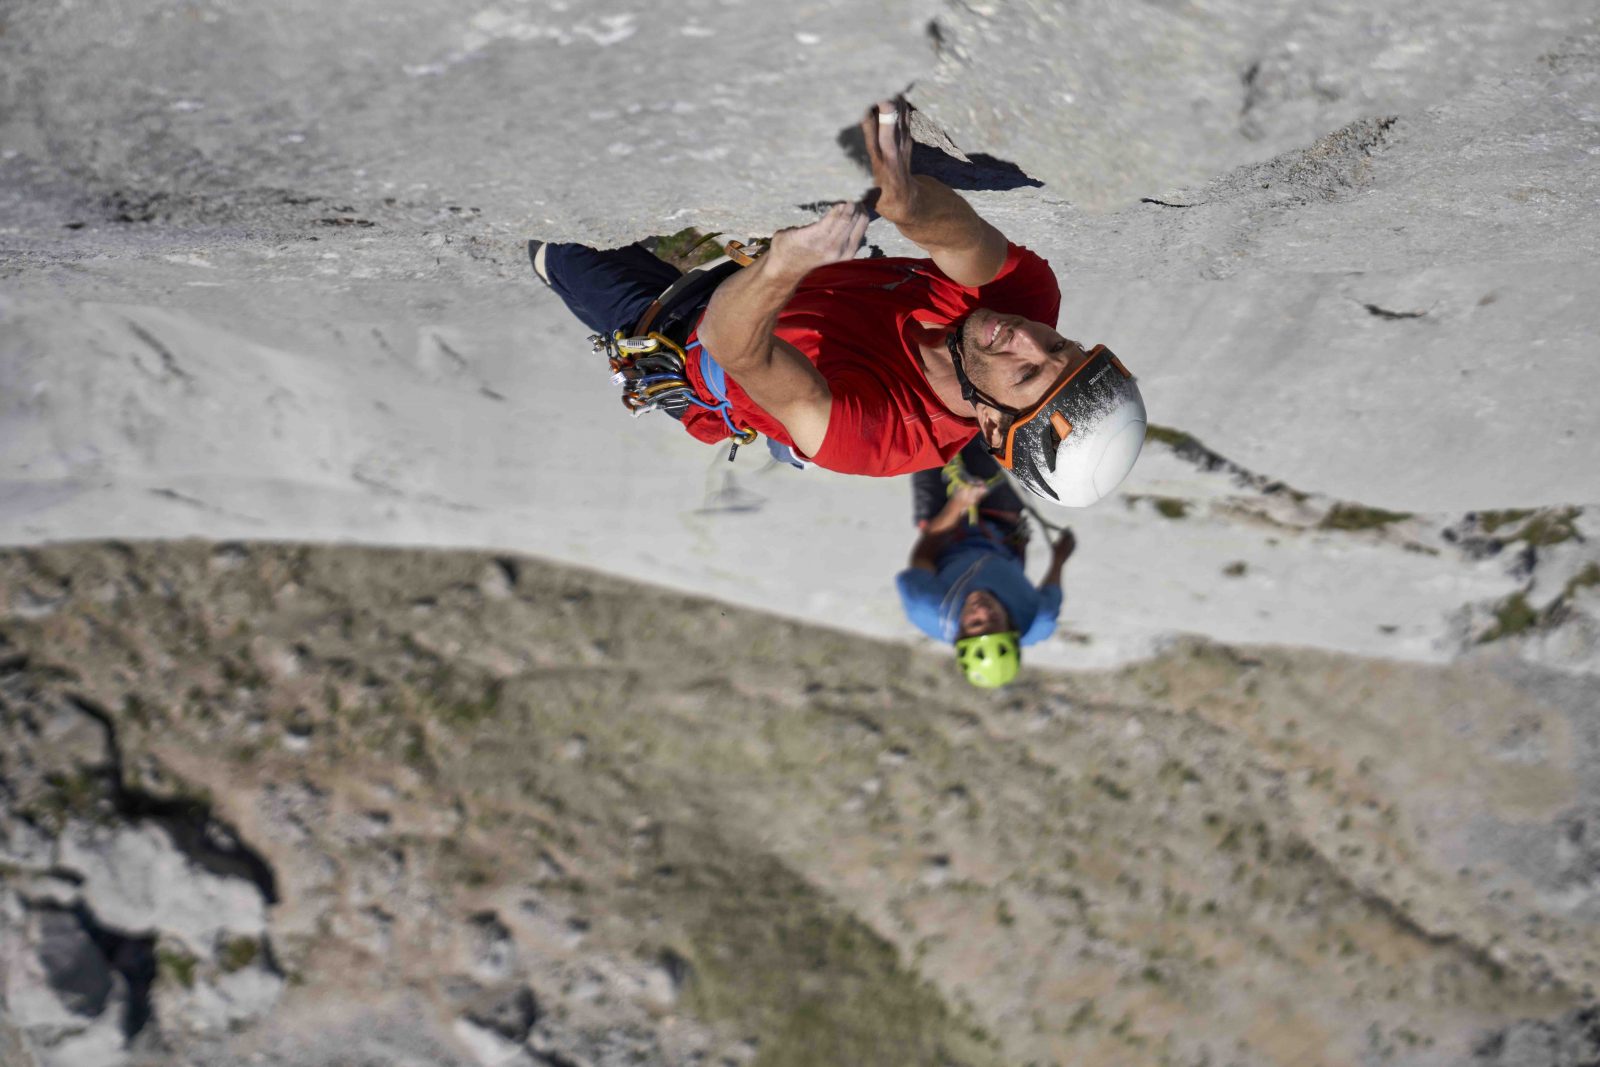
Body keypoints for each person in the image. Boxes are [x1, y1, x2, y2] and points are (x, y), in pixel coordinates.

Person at [529, 97, 1146, 503]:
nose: (1029, 336)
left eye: (1030, 372)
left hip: (692, 339)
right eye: (1060, 346)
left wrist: (785, 262)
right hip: (788, 284)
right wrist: (906, 199)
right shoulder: (1025, 307)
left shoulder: (880, 437)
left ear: (991, 423)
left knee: (552, 245)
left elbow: (734, 344)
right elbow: (963, 240)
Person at [897, 439, 1077, 687]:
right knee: (985, 432)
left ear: (959, 632)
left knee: (924, 437)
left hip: (943, 529)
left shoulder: (926, 606)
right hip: (1004, 526)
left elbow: (924, 554)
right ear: (1011, 624)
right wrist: (1059, 559)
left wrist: (959, 504)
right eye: (994, 621)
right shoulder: (1037, 617)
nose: (982, 611)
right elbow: (1051, 590)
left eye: (975, 623)